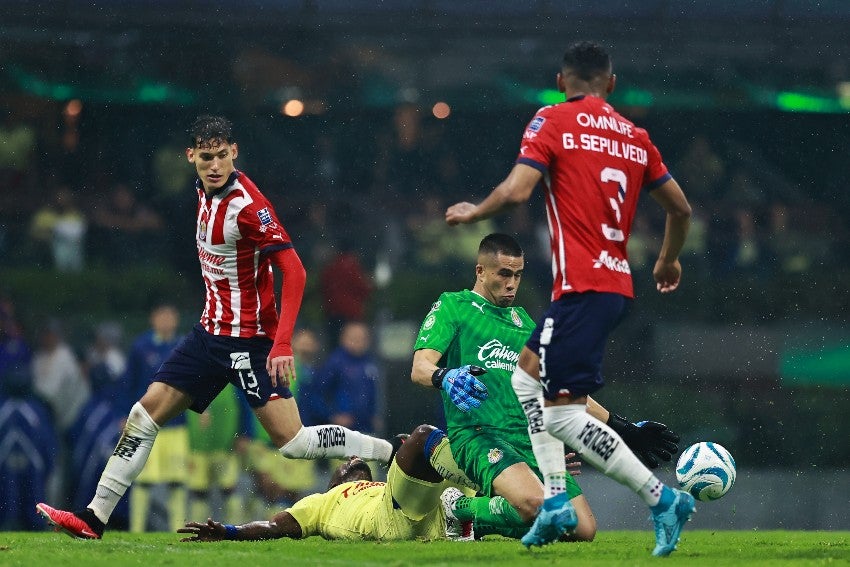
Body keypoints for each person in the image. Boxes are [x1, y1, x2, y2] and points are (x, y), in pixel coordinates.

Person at [37, 114, 400, 540]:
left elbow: (295, 271)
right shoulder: (202, 191)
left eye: (222, 156)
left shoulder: (249, 207)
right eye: (206, 157)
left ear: (234, 153)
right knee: (143, 414)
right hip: (209, 336)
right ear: (190, 156)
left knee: (294, 443)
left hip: (250, 341)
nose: (214, 165)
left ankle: (387, 450)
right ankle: (94, 517)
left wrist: (282, 343)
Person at [444, 42, 694, 556]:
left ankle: (662, 498)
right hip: (615, 286)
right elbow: (681, 209)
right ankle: (556, 501)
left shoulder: (553, 120)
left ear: (562, 82)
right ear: (612, 84)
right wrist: (668, 260)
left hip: (582, 289)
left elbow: (517, 191)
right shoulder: (635, 137)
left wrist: (475, 212)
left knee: (561, 416)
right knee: (527, 377)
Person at [411, 233, 679, 542]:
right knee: (537, 506)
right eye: (504, 274)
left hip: (529, 438)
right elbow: (420, 367)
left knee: (582, 529)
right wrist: (444, 376)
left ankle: (477, 522)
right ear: (480, 271)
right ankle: (459, 507)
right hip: (480, 434)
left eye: (518, 275)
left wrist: (623, 428)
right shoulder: (453, 306)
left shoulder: (524, 323)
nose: (512, 283)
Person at [178, 424, 468, 542]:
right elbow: (273, 526)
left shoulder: (379, 486)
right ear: (334, 481)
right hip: (385, 521)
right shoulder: (320, 503)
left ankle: (477, 517)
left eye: (351, 461)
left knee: (451, 462)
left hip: (427, 520)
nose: (351, 460)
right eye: (345, 464)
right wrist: (230, 532)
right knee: (422, 436)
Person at [123, 305, 188, 532]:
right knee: (143, 479)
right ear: (153, 319)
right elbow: (128, 382)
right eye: (162, 316)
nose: (166, 320)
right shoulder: (140, 347)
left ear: (176, 320)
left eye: (170, 316)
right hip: (147, 422)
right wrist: (124, 414)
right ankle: (137, 530)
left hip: (177, 424)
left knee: (177, 480)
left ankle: (178, 529)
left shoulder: (185, 346)